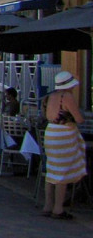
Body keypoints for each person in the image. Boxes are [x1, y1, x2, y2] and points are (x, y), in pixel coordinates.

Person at [41, 71, 86, 220]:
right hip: (64, 135)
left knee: (52, 171)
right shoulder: (67, 97)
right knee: (62, 173)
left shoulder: (50, 97)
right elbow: (79, 119)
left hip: (51, 133)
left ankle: (48, 206)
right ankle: (58, 208)